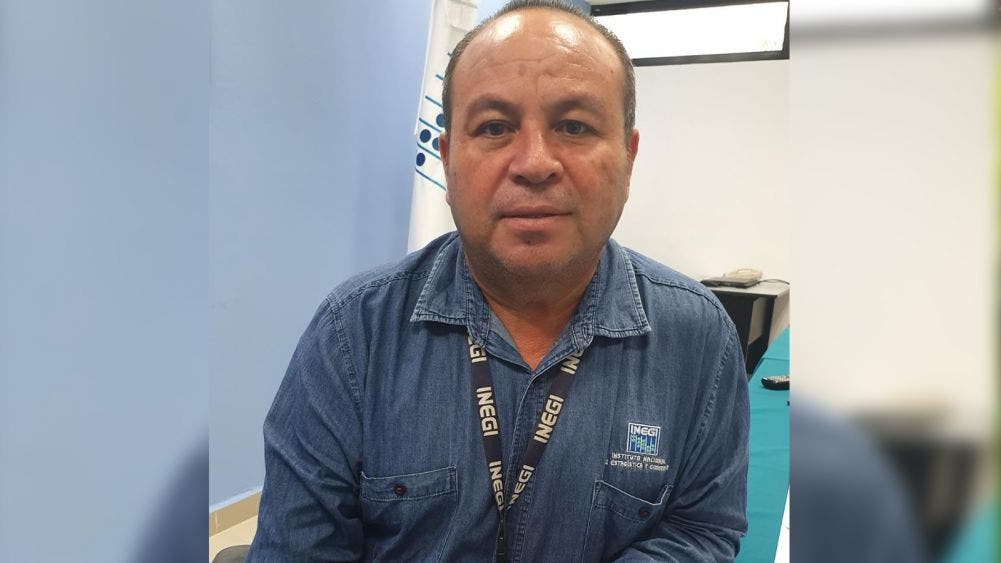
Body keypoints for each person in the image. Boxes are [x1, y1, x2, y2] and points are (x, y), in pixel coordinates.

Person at [247, 1, 749, 560]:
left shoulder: (698, 337)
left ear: (628, 160)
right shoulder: (353, 334)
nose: (534, 163)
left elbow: (701, 529)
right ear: (446, 160)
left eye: (574, 126)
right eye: (493, 127)